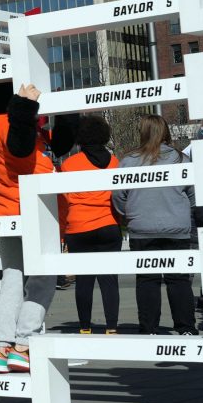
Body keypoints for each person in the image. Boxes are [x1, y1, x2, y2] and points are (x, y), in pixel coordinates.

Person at [0, 80, 59, 373]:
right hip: (29, 212)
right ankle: (24, 344)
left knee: (13, 280)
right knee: (42, 279)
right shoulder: (9, 123)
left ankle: (2, 348)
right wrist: (25, 106)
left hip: (5, 211)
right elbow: (20, 151)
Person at [113, 114, 196, 335]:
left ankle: (149, 327)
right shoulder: (181, 160)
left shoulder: (129, 161)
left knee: (147, 280)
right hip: (176, 227)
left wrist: (130, 214)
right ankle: (186, 326)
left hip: (142, 227)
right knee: (178, 280)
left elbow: (118, 196)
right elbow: (192, 194)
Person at [61, 114, 122, 333]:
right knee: (109, 280)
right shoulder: (115, 163)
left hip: (78, 226)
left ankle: (85, 327)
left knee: (84, 281)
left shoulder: (69, 164)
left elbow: (65, 199)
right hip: (108, 223)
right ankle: (112, 326)